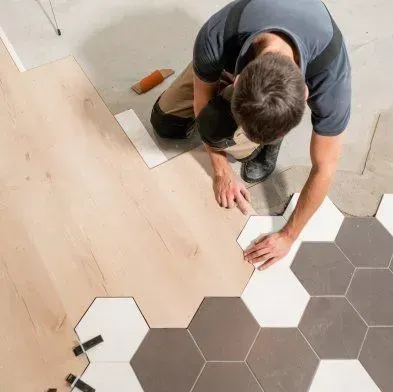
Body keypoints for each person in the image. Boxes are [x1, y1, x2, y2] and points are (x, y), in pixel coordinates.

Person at [150, 0, 351, 269]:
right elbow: (202, 101)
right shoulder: (216, 37)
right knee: (165, 123)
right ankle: (258, 127)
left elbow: (324, 167)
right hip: (230, 55)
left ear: (305, 93)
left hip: (290, 57)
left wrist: (287, 236)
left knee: (232, 136)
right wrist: (221, 169)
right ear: (237, 79)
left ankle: (271, 134)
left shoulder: (330, 78)